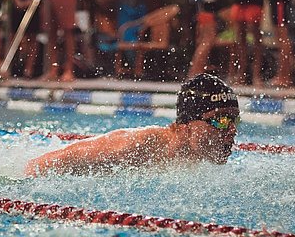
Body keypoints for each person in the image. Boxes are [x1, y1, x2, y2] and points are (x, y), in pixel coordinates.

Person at [25, 73, 240, 176]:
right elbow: (44, 164)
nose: (232, 131)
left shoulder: (194, 161)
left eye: (234, 120)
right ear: (186, 124)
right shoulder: (140, 145)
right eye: (221, 120)